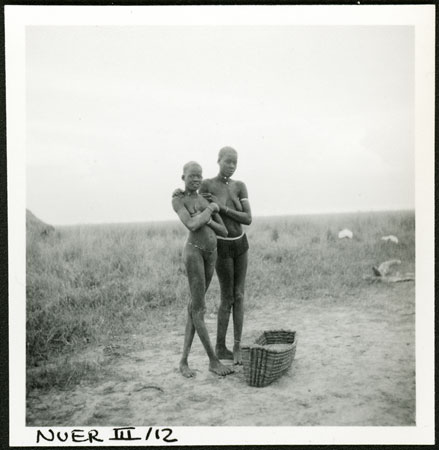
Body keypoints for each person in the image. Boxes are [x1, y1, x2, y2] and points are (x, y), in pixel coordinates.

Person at [172, 161, 234, 377]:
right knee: (199, 309)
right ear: (183, 177)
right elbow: (190, 224)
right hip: (194, 253)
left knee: (194, 308)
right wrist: (210, 210)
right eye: (192, 176)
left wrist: (205, 218)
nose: (196, 179)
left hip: (211, 254)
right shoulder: (178, 199)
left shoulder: (202, 199)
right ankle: (213, 361)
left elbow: (223, 231)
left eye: (199, 176)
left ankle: (184, 361)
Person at [199, 147, 252, 365]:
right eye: (228, 161)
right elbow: (201, 212)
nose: (231, 166)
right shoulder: (208, 185)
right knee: (227, 297)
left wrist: (222, 208)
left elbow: (248, 218)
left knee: (239, 295)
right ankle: (221, 347)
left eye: (235, 162)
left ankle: (237, 346)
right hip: (222, 246)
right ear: (218, 160)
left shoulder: (240, 186)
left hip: (241, 244)